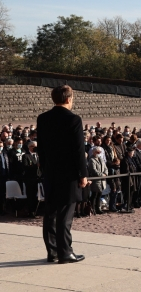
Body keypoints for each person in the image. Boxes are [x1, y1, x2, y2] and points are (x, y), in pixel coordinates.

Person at [37, 85, 87, 264]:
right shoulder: (73, 119)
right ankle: (65, 252)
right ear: (68, 99)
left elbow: (41, 149)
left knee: (50, 214)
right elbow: (79, 150)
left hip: (50, 172)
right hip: (69, 174)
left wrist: (45, 169)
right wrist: (83, 174)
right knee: (65, 215)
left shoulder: (42, 118)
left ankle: (53, 252)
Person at [87, 146, 108, 215]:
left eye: (100, 152)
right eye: (98, 152)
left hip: (102, 180)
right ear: (94, 152)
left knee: (99, 194)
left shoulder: (101, 159)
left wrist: (105, 173)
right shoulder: (92, 160)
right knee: (94, 195)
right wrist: (102, 175)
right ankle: (93, 209)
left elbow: (105, 167)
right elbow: (93, 170)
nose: (99, 153)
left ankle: (98, 208)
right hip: (96, 180)